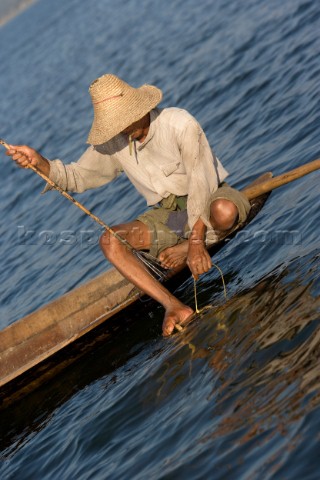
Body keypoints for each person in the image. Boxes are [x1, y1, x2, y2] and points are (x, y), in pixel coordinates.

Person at [5, 73, 251, 335]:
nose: (122, 129)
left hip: (208, 199)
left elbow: (202, 184)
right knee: (110, 241)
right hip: (171, 217)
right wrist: (39, 162)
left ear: (140, 108)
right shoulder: (116, 139)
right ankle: (174, 306)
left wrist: (193, 243)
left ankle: (183, 245)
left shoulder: (179, 123)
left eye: (124, 121)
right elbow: (77, 176)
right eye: (115, 125)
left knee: (225, 213)